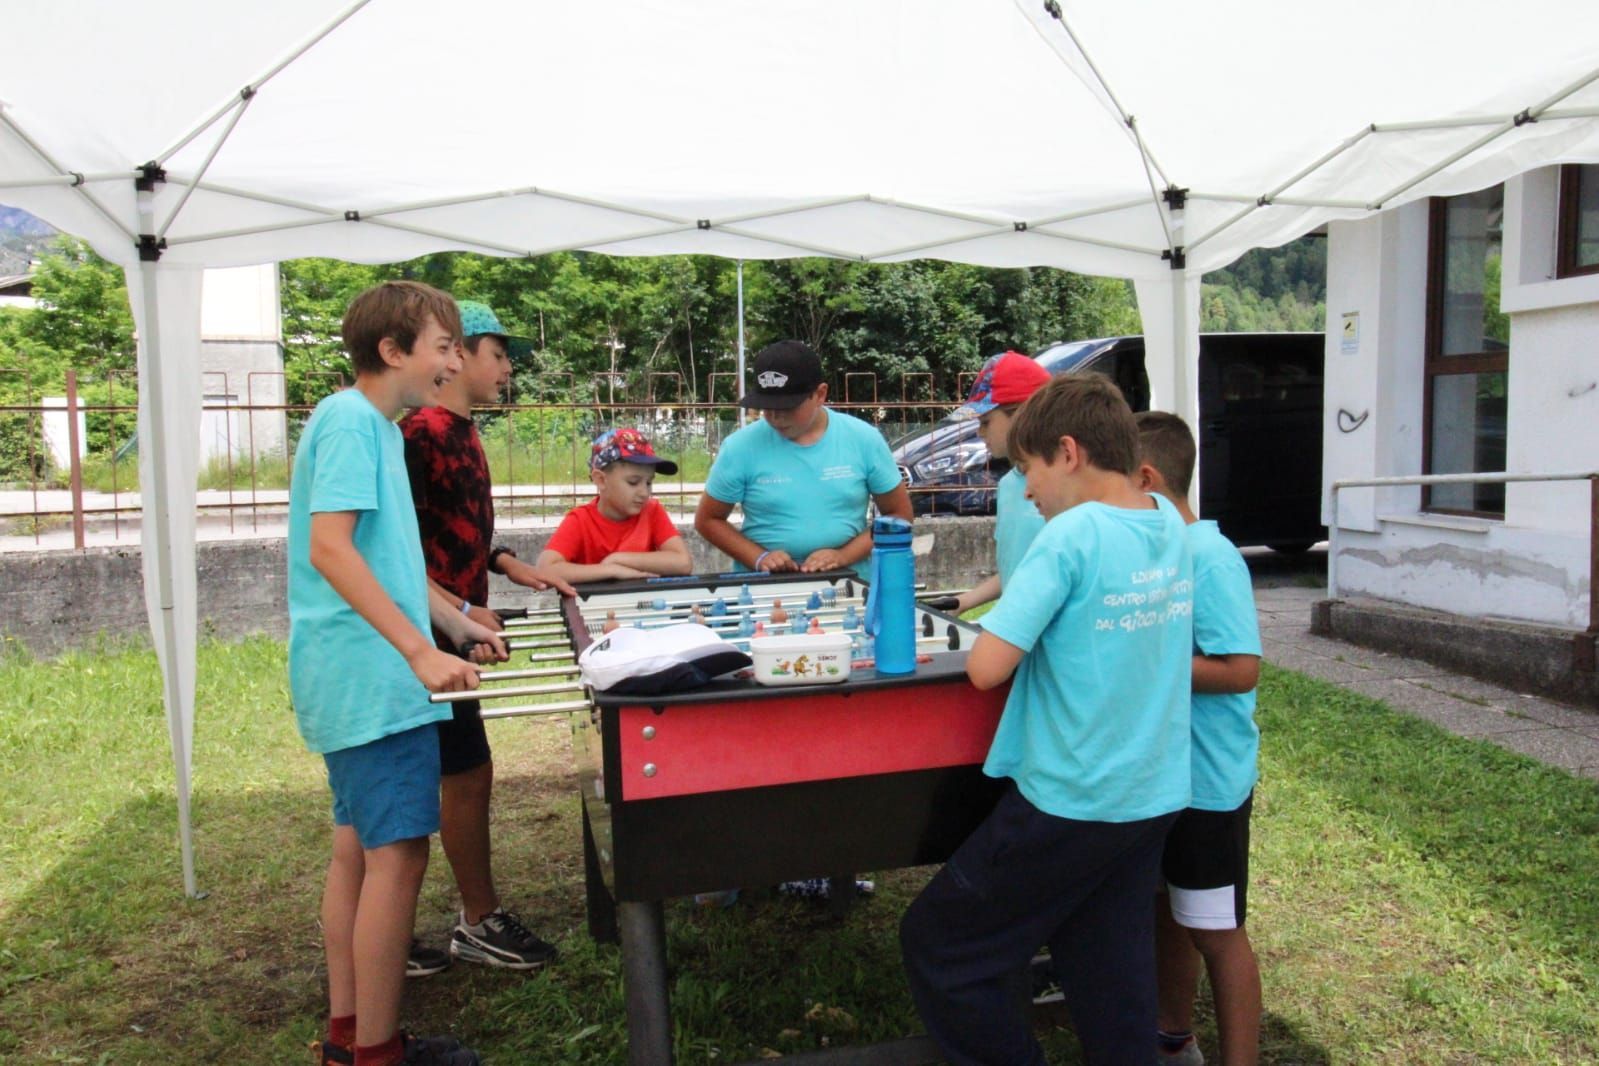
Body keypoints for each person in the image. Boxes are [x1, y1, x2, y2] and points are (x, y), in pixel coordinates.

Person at [899, 372, 1194, 1066]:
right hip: (1151, 791)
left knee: (940, 942)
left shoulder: (1069, 535)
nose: (1025, 490)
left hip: (1070, 795)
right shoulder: (1166, 521)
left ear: (1067, 452)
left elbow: (986, 667)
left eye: (1027, 469)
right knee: (1109, 965)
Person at [291, 281, 506, 1066]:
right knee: (398, 857)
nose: (453, 363)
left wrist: (456, 623)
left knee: (358, 853)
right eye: (443, 347)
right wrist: (417, 652)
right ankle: (378, 1053)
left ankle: (350, 1037)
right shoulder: (353, 421)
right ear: (391, 351)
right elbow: (331, 549)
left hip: (358, 676)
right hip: (373, 680)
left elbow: (391, 560)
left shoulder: (376, 428)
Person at [399, 299, 573, 977]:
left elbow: (457, 524)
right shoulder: (421, 432)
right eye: (497, 355)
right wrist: (461, 611)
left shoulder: (461, 431)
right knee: (457, 775)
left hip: (450, 626)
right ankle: (476, 919)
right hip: (422, 636)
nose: (506, 370)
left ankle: (404, 929)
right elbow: (395, 549)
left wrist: (505, 564)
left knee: (456, 772)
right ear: (458, 354)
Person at [1136, 411, 1263, 1066]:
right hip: (1164, 778)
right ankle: (1172, 1034)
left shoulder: (1210, 558)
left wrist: (1144, 659)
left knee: (1216, 932)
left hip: (1207, 786)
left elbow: (1240, 670)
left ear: (1146, 480)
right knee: (1170, 910)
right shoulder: (1154, 558)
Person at [694, 339, 912, 576]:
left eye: (788, 407)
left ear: (820, 394)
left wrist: (843, 556)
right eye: (767, 407)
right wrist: (759, 557)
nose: (776, 417)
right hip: (764, 586)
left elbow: (899, 515)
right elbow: (708, 520)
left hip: (849, 581)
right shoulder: (740, 447)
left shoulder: (863, 439)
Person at [929, 351, 1051, 615]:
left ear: (1024, 414)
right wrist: (962, 602)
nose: (980, 432)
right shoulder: (1008, 486)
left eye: (986, 422)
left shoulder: (1068, 488)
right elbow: (1014, 570)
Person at [534, 427, 694, 582]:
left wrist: (618, 559)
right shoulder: (580, 520)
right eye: (633, 482)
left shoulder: (651, 511)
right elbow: (545, 569)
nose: (644, 492)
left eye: (649, 482)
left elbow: (683, 563)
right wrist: (610, 570)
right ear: (601, 480)